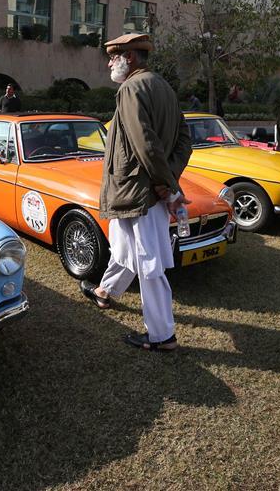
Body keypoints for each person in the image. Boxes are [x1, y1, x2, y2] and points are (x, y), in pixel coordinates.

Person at [79, 33, 192, 352]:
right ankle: (105, 292)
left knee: (148, 263)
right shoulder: (164, 87)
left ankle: (161, 335)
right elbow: (185, 141)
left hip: (138, 194)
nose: (109, 62)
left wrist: (165, 185)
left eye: (114, 56)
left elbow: (145, 145)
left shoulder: (131, 88)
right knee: (126, 248)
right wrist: (169, 177)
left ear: (130, 57)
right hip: (144, 193)